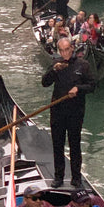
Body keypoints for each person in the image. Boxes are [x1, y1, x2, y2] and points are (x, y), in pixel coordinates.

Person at [41, 37, 96, 188]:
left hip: (75, 112)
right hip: (57, 112)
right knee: (57, 145)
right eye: (62, 50)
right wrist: (53, 70)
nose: (65, 53)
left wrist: (78, 89)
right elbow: (45, 83)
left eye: (67, 49)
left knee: (75, 145)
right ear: (59, 51)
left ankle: (76, 178)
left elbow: (92, 85)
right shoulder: (56, 64)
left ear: (72, 48)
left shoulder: (83, 65)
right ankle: (59, 177)